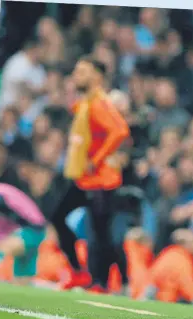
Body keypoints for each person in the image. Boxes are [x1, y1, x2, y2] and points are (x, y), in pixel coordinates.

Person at [50, 56, 131, 293]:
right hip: (85, 180)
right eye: (76, 70)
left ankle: (103, 282)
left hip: (101, 180)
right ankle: (81, 272)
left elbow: (120, 130)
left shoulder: (99, 103)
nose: (76, 75)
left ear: (97, 77)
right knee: (60, 217)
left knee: (101, 234)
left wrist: (96, 160)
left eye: (82, 71)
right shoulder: (86, 102)